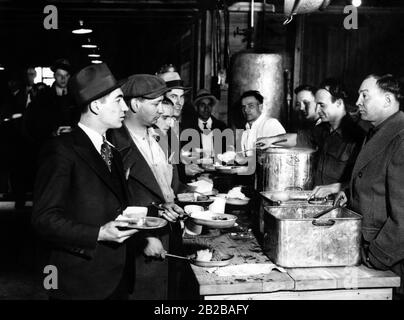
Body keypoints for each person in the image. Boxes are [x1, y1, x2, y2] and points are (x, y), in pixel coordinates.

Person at [31, 63, 163, 300]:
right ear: (95, 105)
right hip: (80, 283)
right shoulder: (61, 150)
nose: (125, 107)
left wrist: (144, 230)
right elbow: (44, 219)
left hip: (117, 277)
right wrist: (98, 233)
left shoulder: (111, 149)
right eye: (118, 100)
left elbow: (114, 205)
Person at [109, 74, 185, 300]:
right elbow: (108, 203)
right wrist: (140, 239)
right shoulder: (113, 145)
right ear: (135, 104)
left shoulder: (160, 138)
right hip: (138, 248)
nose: (162, 110)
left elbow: (168, 186)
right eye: (156, 103)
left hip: (168, 237)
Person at [336, 74, 404, 299]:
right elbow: (376, 181)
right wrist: (350, 193)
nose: (357, 102)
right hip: (368, 250)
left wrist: (376, 255)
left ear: (387, 100)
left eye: (364, 95)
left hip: (388, 261)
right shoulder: (377, 131)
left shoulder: (401, 138)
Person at [257, 79, 365, 197]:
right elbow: (297, 139)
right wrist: (271, 140)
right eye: (317, 104)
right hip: (318, 200)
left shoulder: (358, 136)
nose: (317, 110)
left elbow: (364, 180)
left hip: (339, 204)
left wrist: (334, 188)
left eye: (322, 105)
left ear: (339, 103)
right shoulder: (322, 129)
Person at [25, 58, 80, 147]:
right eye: (60, 75)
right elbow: (33, 123)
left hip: (72, 144)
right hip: (50, 145)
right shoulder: (43, 97)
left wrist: (73, 129)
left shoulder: (76, 98)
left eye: (66, 75)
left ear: (69, 76)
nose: (63, 79)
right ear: (54, 75)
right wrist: (51, 133)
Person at [182, 89, 228, 160]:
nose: (206, 109)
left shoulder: (222, 127)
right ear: (196, 107)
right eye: (202, 105)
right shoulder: (188, 128)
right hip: (196, 169)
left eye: (209, 105)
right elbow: (184, 154)